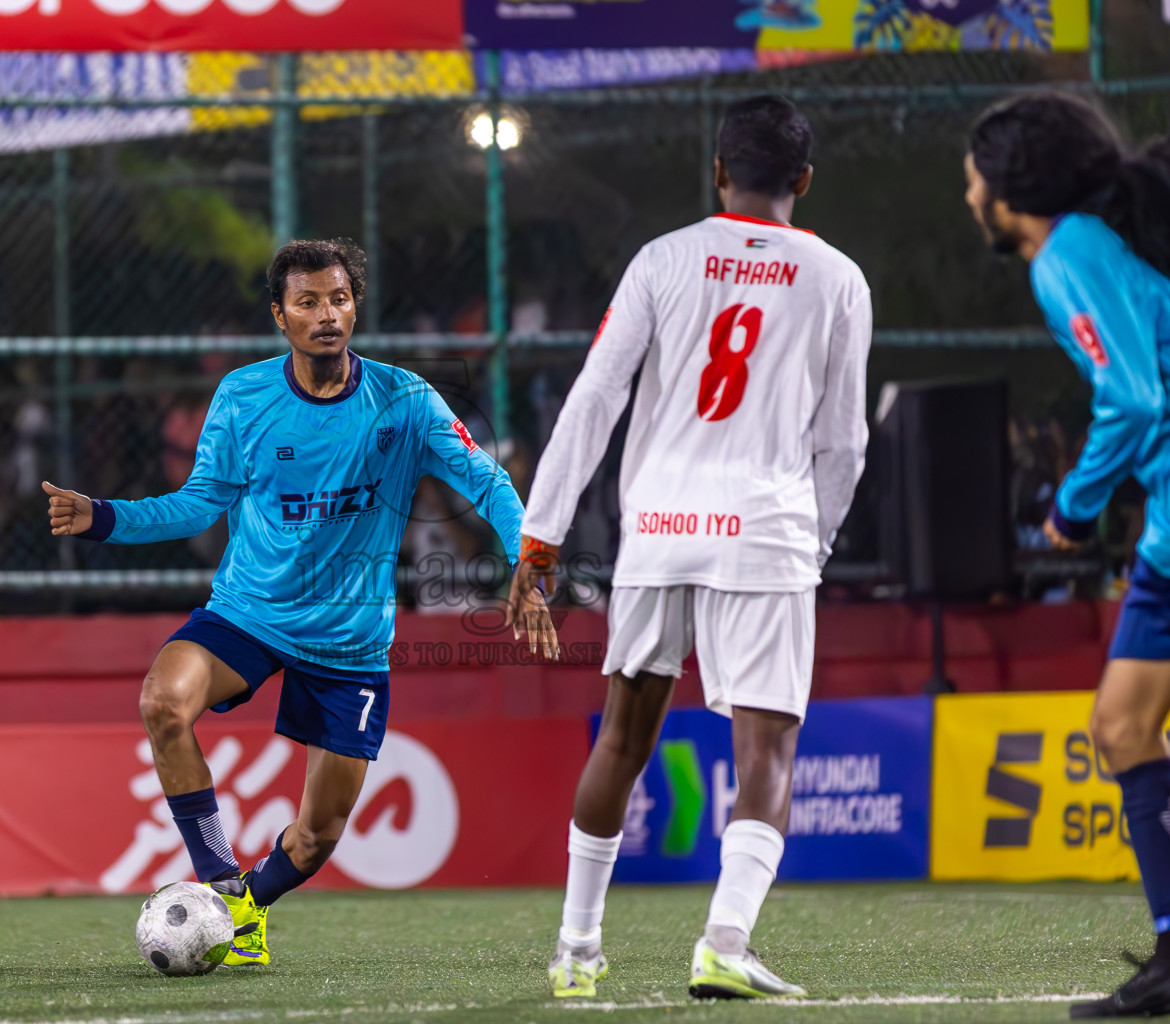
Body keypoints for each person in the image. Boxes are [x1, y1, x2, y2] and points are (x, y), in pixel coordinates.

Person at [43, 238, 558, 966]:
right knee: (164, 702)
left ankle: (248, 904)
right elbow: (198, 506)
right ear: (280, 315)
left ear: (356, 307)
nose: (327, 314)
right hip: (248, 614)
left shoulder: (405, 402)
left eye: (339, 299)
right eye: (309, 302)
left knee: (317, 837)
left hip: (349, 641)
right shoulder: (244, 397)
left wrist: (528, 558)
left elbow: (487, 482)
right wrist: (105, 516)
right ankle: (221, 887)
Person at [507, 95, 871, 1001]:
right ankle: (723, 941)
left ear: (717, 171)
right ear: (805, 180)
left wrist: (542, 533)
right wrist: (811, 543)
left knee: (623, 739)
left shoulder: (661, 260)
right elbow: (845, 441)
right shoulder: (837, 277)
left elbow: (593, 398)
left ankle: (576, 953)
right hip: (767, 532)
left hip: (660, 532)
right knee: (766, 754)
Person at [965, 91, 1170, 1019]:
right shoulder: (1116, 245)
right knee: (1120, 728)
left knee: (1122, 728)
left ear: (1010, 184)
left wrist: (1072, 506)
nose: (967, 194)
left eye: (973, 175)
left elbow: (1137, 399)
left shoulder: (1070, 251)